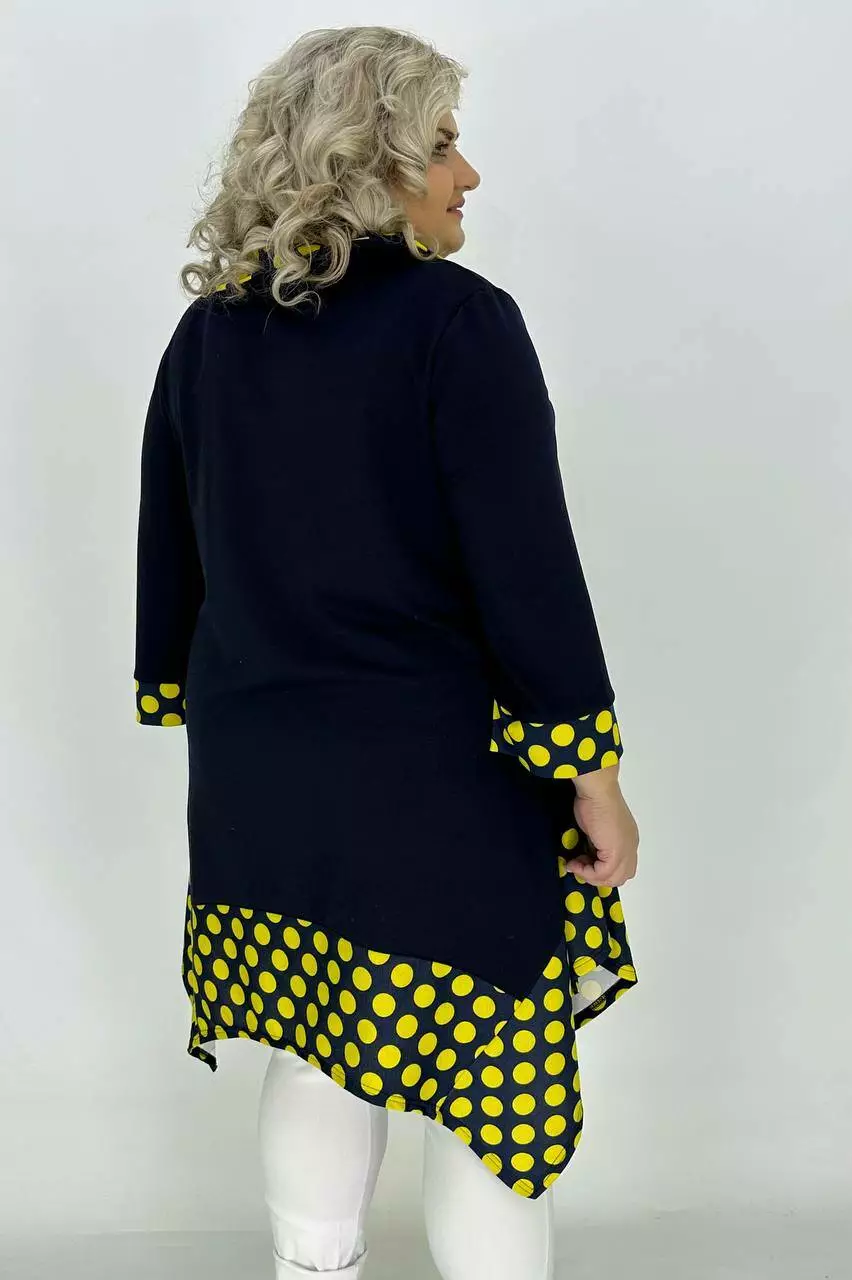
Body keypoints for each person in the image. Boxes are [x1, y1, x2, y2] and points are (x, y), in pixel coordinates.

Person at [133, 24, 640, 1280]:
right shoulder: (458, 323)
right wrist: (592, 772)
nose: (468, 175)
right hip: (433, 779)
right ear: (371, 157)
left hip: (259, 778)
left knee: (319, 1041)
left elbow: (175, 558)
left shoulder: (208, 336)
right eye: (444, 144)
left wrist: (180, 692)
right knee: (490, 1069)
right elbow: (528, 575)